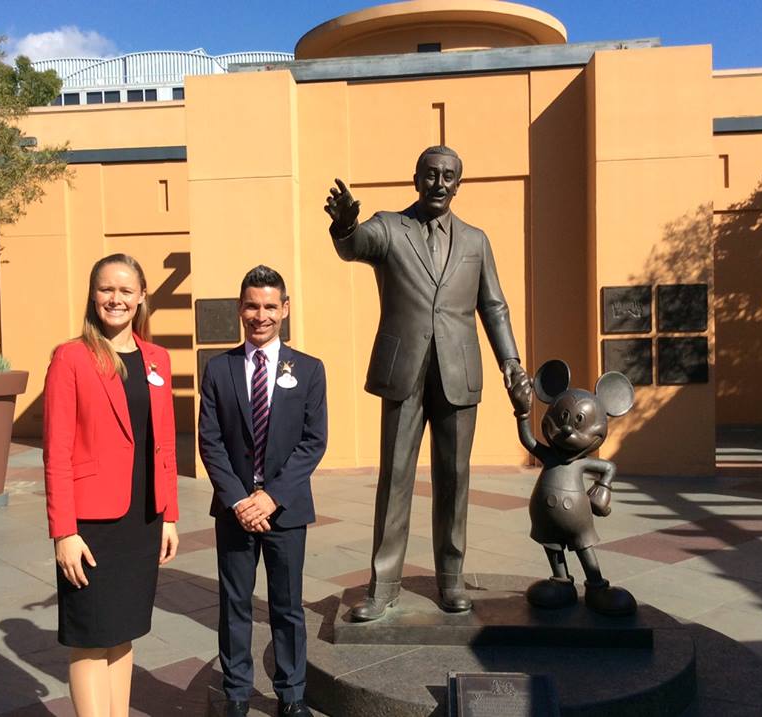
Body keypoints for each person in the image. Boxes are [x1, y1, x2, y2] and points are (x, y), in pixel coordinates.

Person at [324, 145, 531, 621]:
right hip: (405, 371)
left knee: (454, 480)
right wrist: (345, 225)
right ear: (415, 178)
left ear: (459, 184)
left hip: (459, 371)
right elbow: (354, 246)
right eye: (431, 175)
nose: (439, 183)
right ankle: (383, 586)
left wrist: (512, 363)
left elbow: (493, 306)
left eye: (449, 176)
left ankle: (452, 580)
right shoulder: (389, 228)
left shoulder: (476, 241)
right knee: (395, 477)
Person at [43, 253, 179, 717]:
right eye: (106, 288)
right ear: (92, 294)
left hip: (143, 520)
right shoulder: (71, 357)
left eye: (125, 290)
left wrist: (170, 515)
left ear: (142, 296)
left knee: (123, 633)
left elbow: (163, 445)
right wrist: (64, 531)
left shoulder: (157, 358)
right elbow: (56, 452)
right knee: (89, 639)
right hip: (91, 524)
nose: (115, 298)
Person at [199, 265, 327, 717]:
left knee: (287, 606)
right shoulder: (219, 369)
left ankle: (291, 696)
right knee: (234, 603)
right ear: (240, 308)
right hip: (234, 509)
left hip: (285, 509)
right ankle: (236, 693)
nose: (261, 315)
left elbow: (314, 441)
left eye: (270, 306)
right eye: (252, 305)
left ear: (285, 309)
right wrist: (239, 500)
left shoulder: (309, 370)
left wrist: (271, 497)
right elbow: (210, 441)